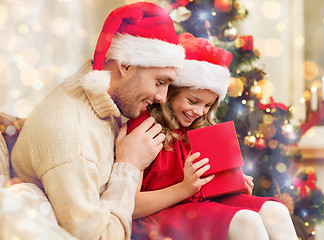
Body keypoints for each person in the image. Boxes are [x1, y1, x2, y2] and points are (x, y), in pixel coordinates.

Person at [10, 2, 185, 240]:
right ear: (126, 65)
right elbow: (100, 236)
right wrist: (129, 167)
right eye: (159, 82)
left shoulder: (104, 98)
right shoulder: (72, 137)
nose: (162, 98)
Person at [127, 33, 298, 240]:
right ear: (170, 92)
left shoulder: (201, 129)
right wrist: (185, 188)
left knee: (274, 211)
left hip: (198, 206)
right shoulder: (145, 126)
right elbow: (131, 206)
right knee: (245, 221)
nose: (199, 112)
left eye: (208, 105)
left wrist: (231, 182)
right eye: (192, 101)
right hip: (157, 216)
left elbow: (205, 190)